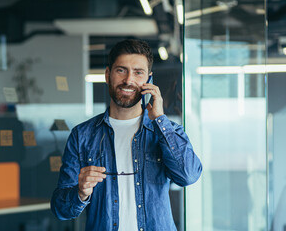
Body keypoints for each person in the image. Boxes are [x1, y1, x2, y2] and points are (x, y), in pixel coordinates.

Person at [51, 39, 202, 231]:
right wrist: (80, 192)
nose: (129, 80)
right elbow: (60, 210)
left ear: (149, 80)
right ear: (108, 75)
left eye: (138, 72)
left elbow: (188, 176)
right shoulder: (82, 135)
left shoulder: (167, 131)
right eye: (121, 70)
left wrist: (160, 119)